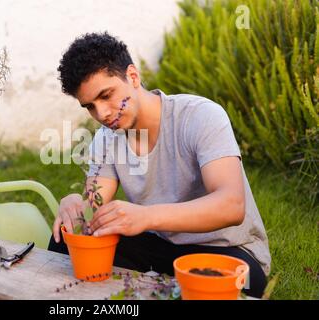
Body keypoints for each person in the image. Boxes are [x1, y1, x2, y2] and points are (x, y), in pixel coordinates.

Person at [48, 31, 271, 298]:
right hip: (161, 246)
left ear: (132, 76)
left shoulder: (200, 116)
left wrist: (145, 216)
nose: (102, 114)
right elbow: (92, 207)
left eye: (106, 95)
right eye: (90, 106)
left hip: (224, 251)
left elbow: (231, 205)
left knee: (233, 284)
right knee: (65, 242)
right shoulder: (107, 138)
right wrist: (74, 204)